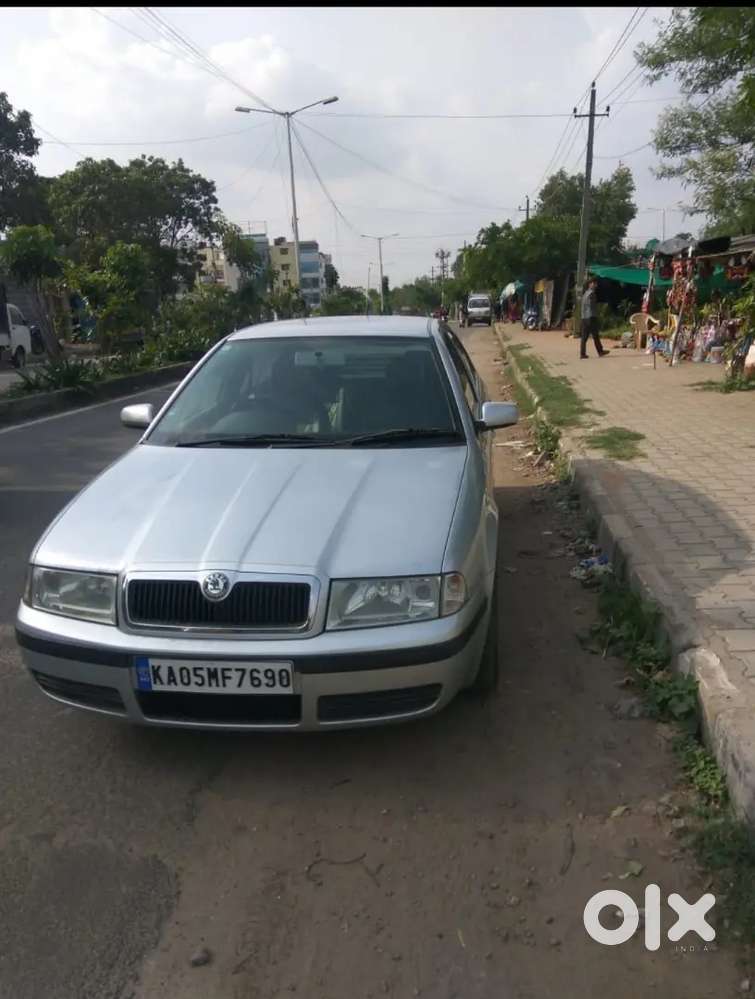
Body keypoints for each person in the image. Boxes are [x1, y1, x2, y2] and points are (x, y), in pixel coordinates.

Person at [580, 277, 609, 359]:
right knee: (595, 335)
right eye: (594, 283)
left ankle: (582, 354)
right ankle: (600, 351)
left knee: (584, 337)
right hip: (591, 317)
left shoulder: (585, 293)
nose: (596, 285)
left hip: (584, 317)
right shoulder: (592, 293)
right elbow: (592, 306)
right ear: (590, 284)